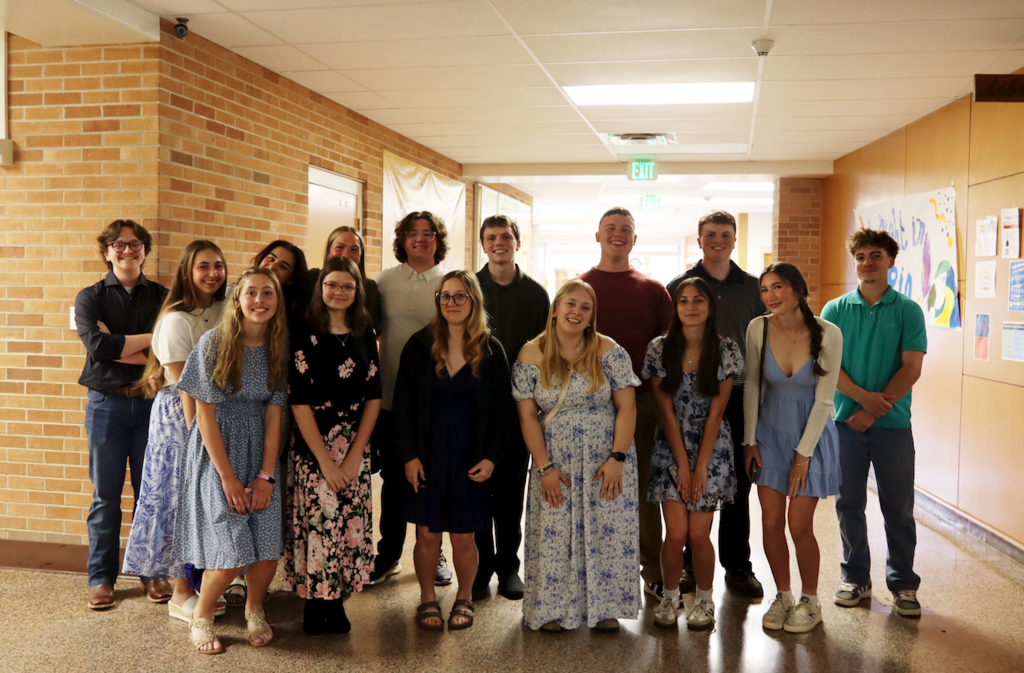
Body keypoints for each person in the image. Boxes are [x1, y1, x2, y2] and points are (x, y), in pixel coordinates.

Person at [173, 268, 290, 654]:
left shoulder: (278, 347)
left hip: (261, 450)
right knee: (228, 551)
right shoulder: (214, 343)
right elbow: (204, 415)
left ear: (277, 300)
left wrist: (266, 475)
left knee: (267, 547)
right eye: (251, 293)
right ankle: (201, 615)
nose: (260, 300)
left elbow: (274, 414)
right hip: (217, 453)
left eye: (267, 293)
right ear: (238, 300)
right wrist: (227, 478)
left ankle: (255, 609)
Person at [513, 280, 641, 632]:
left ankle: (606, 607)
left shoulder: (608, 350)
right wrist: (544, 467)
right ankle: (550, 608)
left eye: (585, 307)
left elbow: (627, 407)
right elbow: (527, 415)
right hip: (555, 458)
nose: (577, 312)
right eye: (571, 304)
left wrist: (617, 458)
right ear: (555, 307)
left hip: (605, 459)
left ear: (591, 317)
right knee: (554, 531)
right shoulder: (531, 353)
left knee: (607, 530)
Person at [393, 270, 514, 631]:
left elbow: (502, 411)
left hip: (470, 457)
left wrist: (492, 456)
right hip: (428, 456)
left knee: (464, 534)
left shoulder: (491, 350)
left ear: (473, 301)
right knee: (428, 533)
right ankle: (427, 598)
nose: (451, 303)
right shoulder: (419, 344)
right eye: (445, 296)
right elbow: (403, 405)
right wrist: (409, 455)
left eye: (460, 296)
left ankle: (464, 596)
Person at [820, 230, 927, 618]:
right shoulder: (834, 310)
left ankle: (903, 585)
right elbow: (828, 365)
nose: (868, 262)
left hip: (893, 426)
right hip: (845, 424)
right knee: (848, 504)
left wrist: (874, 408)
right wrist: (862, 400)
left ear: (890, 261)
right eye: (861, 256)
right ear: (855, 261)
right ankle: (855, 578)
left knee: (898, 508)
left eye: (876, 255)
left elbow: (911, 367)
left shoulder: (907, 310)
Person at [122, 241, 228, 621]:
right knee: (180, 501)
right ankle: (179, 592)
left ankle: (203, 583)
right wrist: (199, 437)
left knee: (206, 503)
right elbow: (187, 386)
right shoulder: (174, 320)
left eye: (218, 265)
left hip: (218, 413)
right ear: (187, 271)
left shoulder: (224, 308)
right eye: (204, 266)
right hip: (183, 418)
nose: (213, 273)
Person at [666, 210, 766, 598]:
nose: (718, 240)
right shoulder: (680, 285)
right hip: (689, 396)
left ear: (735, 240)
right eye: (710, 234)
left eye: (725, 234)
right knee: (690, 477)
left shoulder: (754, 288)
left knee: (738, 484)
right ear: (699, 240)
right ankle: (690, 564)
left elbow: (762, 345)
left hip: (740, 394)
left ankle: (737, 565)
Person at [577, 207, 672, 600]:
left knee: (643, 491)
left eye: (626, 230)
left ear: (635, 239)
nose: (618, 234)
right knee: (592, 490)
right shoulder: (579, 288)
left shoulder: (653, 290)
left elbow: (669, 351)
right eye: (610, 228)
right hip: (589, 407)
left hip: (644, 405)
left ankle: (653, 571)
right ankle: (593, 573)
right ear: (597, 235)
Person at [284, 257, 382, 636]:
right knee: (319, 524)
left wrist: (357, 452)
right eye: (332, 285)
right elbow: (299, 401)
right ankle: (315, 600)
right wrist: (325, 461)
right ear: (320, 288)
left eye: (347, 286)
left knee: (349, 524)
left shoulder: (364, 331)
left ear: (357, 291)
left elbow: (374, 394)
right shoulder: (303, 333)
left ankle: (337, 598)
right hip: (314, 446)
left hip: (355, 443)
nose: (339, 292)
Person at [743, 263, 843, 633]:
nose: (770, 296)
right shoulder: (759, 327)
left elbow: (824, 401)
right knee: (770, 522)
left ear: (798, 290)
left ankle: (810, 600)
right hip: (769, 433)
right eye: (765, 289)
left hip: (811, 437)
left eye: (778, 287)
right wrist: (749, 440)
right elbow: (753, 386)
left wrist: (803, 457)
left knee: (798, 525)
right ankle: (783, 595)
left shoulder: (829, 333)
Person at [75, 219, 169, 610]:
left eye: (135, 245)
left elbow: (169, 349)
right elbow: (97, 348)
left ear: (145, 250)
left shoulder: (164, 296)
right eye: (119, 245)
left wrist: (119, 344)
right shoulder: (90, 297)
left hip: (152, 404)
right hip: (106, 404)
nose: (127, 251)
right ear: (107, 251)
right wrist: (151, 338)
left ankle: (152, 571)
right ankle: (101, 578)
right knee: (106, 497)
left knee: (151, 493)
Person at [645, 278, 741, 630]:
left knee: (699, 535)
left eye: (698, 300)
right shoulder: (659, 348)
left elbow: (717, 413)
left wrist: (700, 468)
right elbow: (667, 413)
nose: (690, 307)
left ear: (710, 306)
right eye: (683, 301)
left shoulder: (726, 349)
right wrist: (682, 466)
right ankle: (670, 599)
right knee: (676, 534)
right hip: (670, 448)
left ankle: (704, 600)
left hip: (711, 449)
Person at [370, 211, 452, 587]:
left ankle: (435, 558)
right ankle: (388, 556)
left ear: (438, 239)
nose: (420, 239)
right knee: (394, 481)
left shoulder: (449, 282)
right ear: (401, 240)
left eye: (428, 233)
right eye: (412, 234)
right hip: (389, 399)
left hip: (436, 402)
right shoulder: (384, 281)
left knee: (434, 480)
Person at [472, 214, 550, 602]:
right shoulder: (470, 289)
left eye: (505, 237)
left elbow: (546, 352)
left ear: (517, 243)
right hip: (476, 407)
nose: (499, 243)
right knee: (477, 490)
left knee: (509, 493)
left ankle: (508, 569)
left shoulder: (536, 295)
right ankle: (480, 567)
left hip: (521, 408)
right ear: (483, 245)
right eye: (491, 238)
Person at [307, 225, 383, 330]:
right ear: (329, 251)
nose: (346, 254)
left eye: (354, 249)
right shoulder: (311, 279)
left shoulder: (370, 288)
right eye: (340, 247)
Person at [253, 240, 311, 325]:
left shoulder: (291, 321)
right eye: (271, 259)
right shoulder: (232, 292)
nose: (272, 266)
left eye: (283, 267)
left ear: (291, 279)